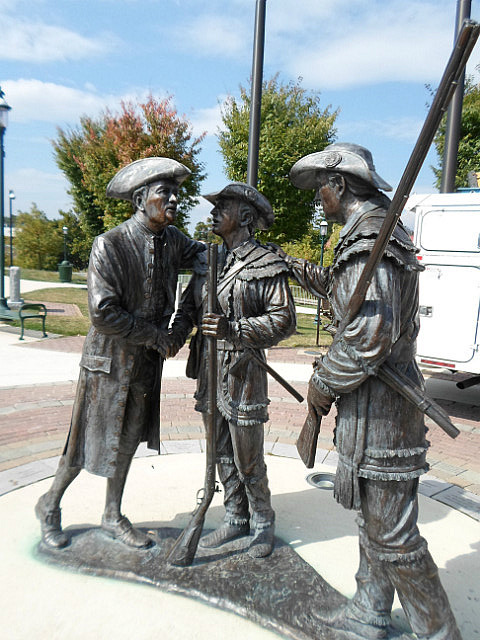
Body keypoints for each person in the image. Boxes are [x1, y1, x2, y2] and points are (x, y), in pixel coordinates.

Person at [278, 143, 461, 639]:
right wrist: (294, 266)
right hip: (370, 406)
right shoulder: (367, 236)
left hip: (385, 412)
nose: (318, 197)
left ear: (339, 185)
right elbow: (349, 302)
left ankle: (439, 631)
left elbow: (369, 336)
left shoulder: (370, 240)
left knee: (394, 536)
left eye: (321, 187)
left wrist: (322, 382)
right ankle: (369, 609)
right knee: (372, 520)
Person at [35, 157, 205, 550]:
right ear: (141, 199)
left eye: (175, 193)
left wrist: (182, 323)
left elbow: (206, 258)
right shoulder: (109, 244)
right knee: (85, 444)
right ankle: (50, 504)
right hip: (107, 362)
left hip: (144, 362)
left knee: (127, 440)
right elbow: (103, 312)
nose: (174, 200)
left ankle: (112, 515)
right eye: (165, 193)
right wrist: (157, 336)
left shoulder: (174, 240)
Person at [170, 182, 296, 558]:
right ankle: (235, 516)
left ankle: (263, 521)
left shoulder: (265, 263)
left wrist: (235, 329)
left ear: (244, 217)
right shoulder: (207, 260)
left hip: (243, 371)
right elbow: (189, 310)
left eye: (221, 207)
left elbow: (284, 319)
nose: (212, 213)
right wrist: (168, 338)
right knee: (219, 450)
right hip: (208, 368)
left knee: (247, 456)